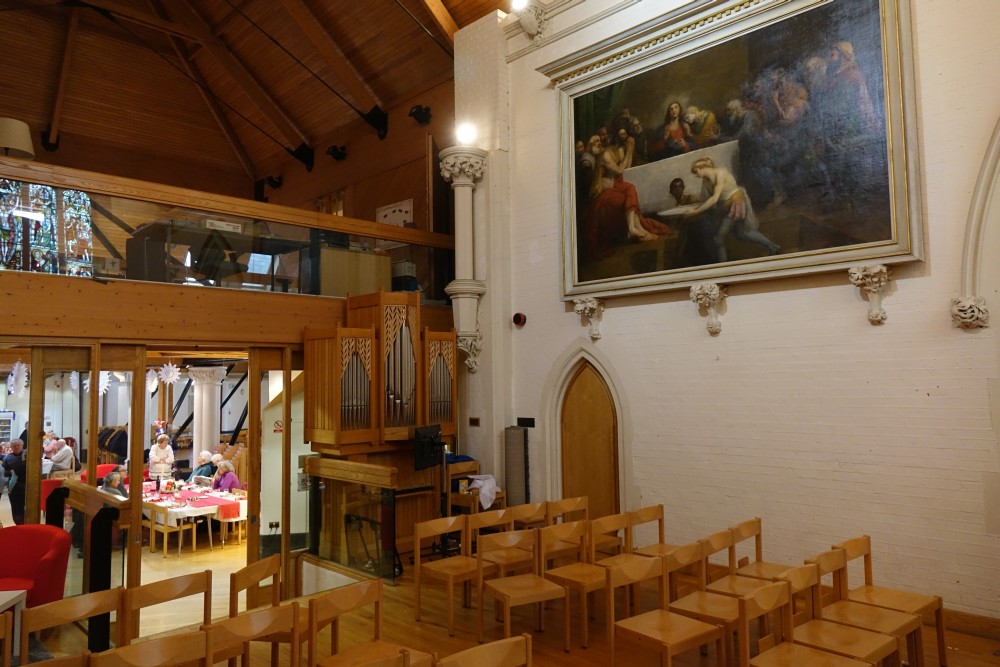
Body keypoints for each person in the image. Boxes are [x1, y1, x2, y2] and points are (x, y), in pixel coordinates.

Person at [684, 156, 781, 263]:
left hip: (736, 205)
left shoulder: (720, 172)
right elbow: (705, 199)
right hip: (727, 208)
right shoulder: (706, 181)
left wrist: (695, 212)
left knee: (718, 238)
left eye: (696, 171)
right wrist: (694, 204)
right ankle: (773, 246)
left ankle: (723, 266)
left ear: (703, 167)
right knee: (742, 233)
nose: (695, 175)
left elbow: (714, 198)